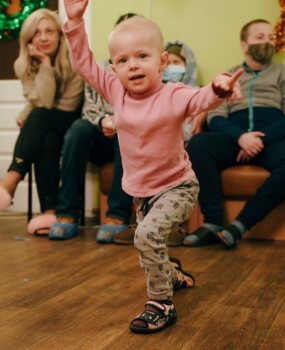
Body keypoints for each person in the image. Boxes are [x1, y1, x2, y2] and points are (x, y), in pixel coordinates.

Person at [63, 0, 242, 334]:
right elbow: (84, 64)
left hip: (179, 186)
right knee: (150, 248)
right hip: (141, 193)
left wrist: (220, 86)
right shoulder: (116, 91)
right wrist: (74, 21)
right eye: (123, 60)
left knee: (145, 236)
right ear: (113, 68)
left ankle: (161, 304)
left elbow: (202, 97)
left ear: (162, 63)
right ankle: (174, 275)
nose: (133, 66)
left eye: (142, 56)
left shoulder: (173, 94)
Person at [184, 19, 285, 249]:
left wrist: (259, 139)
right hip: (235, 137)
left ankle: (240, 224)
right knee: (199, 144)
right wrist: (241, 137)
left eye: (270, 37)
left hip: (272, 139)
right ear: (244, 44)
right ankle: (212, 223)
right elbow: (215, 116)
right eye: (259, 37)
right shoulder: (229, 75)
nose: (267, 42)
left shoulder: (282, 73)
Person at [48, 13, 137, 242]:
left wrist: (121, 122)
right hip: (101, 134)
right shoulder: (100, 70)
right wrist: (105, 122)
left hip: (131, 141)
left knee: (125, 133)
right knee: (78, 128)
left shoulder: (147, 69)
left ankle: (118, 215)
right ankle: (67, 213)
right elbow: (90, 111)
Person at [113, 40, 207, 246]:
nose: (134, 65)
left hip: (178, 158)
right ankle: (140, 220)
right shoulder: (131, 94)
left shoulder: (184, 93)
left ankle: (173, 224)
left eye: (177, 62)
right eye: (123, 60)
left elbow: (206, 98)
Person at [0, 8, 83, 235]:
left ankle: (10, 180)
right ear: (28, 38)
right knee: (46, 138)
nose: (43, 38)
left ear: (59, 34)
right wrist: (45, 63)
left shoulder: (75, 62)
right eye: (36, 33)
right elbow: (39, 100)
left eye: (49, 32)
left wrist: (29, 113)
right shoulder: (22, 65)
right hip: (48, 125)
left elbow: (63, 106)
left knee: (38, 119)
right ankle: (49, 211)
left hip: (75, 124)